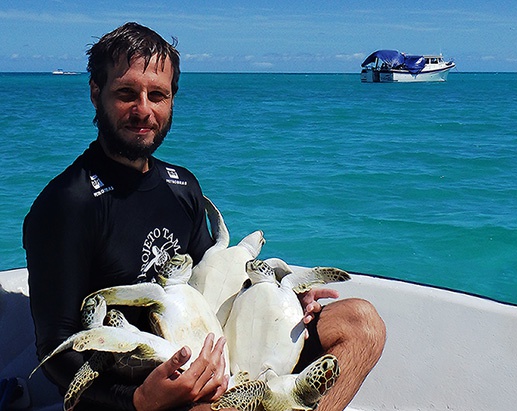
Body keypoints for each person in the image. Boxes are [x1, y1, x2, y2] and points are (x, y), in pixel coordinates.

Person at [23, 22, 386, 411]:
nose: (143, 109)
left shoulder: (181, 186)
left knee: (362, 322)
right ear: (96, 93)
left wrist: (286, 304)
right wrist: (138, 400)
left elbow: (215, 290)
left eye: (157, 95)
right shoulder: (67, 203)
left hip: (218, 358)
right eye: (127, 93)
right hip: (144, 388)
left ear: (172, 100)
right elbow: (55, 349)